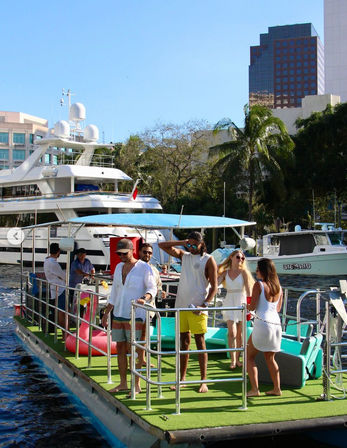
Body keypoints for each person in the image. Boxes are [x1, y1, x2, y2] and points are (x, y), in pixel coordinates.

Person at [159, 231, 218, 393]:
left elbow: (214, 287)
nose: (191, 248)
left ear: (201, 244)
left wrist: (204, 305)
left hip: (198, 308)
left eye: (194, 245)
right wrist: (183, 242)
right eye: (189, 245)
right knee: (183, 342)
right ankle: (182, 379)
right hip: (181, 306)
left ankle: (203, 381)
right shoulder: (184, 256)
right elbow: (161, 245)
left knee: (200, 342)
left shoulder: (208, 260)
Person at [101, 239, 156, 395]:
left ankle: (136, 384)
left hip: (136, 314)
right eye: (118, 253)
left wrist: (144, 298)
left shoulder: (145, 268)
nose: (121, 256)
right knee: (120, 349)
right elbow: (115, 292)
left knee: (136, 350)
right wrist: (107, 313)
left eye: (124, 253)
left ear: (132, 250)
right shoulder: (118, 267)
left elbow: (152, 288)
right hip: (119, 313)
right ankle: (123, 383)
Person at [247, 258, 283, 397]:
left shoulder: (259, 285)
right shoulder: (279, 287)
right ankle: (277, 388)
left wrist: (246, 307)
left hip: (263, 324)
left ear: (263, 271)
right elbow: (278, 308)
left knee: (249, 357)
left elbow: (253, 306)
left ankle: (255, 389)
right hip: (276, 324)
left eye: (257, 269)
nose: (256, 272)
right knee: (270, 358)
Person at [217, 250, 254, 369]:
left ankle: (238, 359)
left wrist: (250, 307)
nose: (241, 260)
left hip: (242, 302)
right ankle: (232, 360)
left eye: (243, 258)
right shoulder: (225, 273)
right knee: (231, 333)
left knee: (240, 334)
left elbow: (249, 290)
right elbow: (215, 283)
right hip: (229, 300)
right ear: (231, 257)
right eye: (238, 257)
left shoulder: (244, 272)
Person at [138, 242, 166, 366]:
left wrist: (161, 292)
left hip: (149, 308)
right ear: (139, 252)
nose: (147, 254)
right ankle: (132, 360)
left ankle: (141, 359)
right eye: (145, 252)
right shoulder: (134, 267)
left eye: (149, 252)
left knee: (144, 335)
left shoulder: (154, 270)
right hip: (135, 306)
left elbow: (158, 286)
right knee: (133, 335)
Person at [43, 242, 67, 338]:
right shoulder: (53, 263)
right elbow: (63, 276)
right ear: (58, 251)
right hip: (59, 289)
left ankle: (65, 331)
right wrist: (65, 278)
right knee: (61, 312)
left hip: (55, 288)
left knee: (61, 311)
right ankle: (64, 333)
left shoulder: (47, 260)